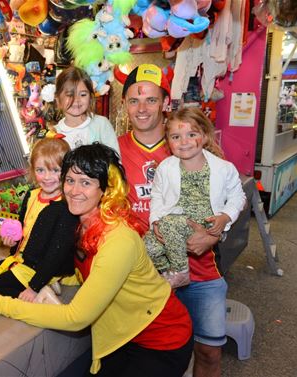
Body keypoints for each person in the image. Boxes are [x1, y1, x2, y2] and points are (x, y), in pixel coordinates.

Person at [0, 144, 193, 377]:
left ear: (106, 190)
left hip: (161, 340)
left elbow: (76, 317)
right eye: (69, 180)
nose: (74, 190)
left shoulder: (118, 240)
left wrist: (1, 304)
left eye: (86, 182)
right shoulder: (75, 222)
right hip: (120, 335)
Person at [118, 64, 228, 377]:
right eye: (135, 100)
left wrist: (213, 235)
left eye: (151, 100)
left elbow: (228, 200)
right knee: (148, 359)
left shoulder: (187, 140)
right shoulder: (113, 149)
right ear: (125, 104)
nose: (142, 108)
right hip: (145, 273)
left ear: (167, 103)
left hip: (200, 269)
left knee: (207, 353)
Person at [144, 107, 246, 289]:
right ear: (168, 141)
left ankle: (180, 272)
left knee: (170, 223)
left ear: (205, 136)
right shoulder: (165, 168)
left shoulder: (224, 168)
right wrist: (155, 221)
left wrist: (225, 217)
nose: (184, 142)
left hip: (203, 224)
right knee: (147, 247)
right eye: (176, 137)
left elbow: (238, 196)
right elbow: (157, 196)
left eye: (191, 135)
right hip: (172, 223)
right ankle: (168, 271)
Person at [0, 138, 79, 301]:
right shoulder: (31, 195)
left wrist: (34, 286)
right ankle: (45, 285)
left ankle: (42, 294)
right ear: (32, 170)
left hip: (41, 266)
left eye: (55, 170)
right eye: (40, 170)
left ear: (66, 172)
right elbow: (22, 230)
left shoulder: (64, 207)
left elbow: (55, 255)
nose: (47, 177)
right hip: (23, 258)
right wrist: (11, 242)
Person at [54, 66, 120, 153]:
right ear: (58, 98)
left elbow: (115, 160)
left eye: (83, 95)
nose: (76, 100)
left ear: (91, 97)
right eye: (70, 95)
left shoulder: (101, 125)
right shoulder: (54, 133)